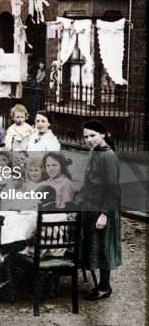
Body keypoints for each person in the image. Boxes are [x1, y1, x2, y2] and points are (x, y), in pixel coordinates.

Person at [80, 119, 121, 301]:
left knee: (104, 247)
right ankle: (100, 283)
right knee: (93, 244)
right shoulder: (93, 151)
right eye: (86, 136)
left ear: (103, 134)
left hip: (103, 208)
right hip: (90, 205)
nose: (89, 139)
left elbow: (113, 190)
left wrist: (104, 214)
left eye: (93, 135)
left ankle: (105, 287)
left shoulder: (108, 156)